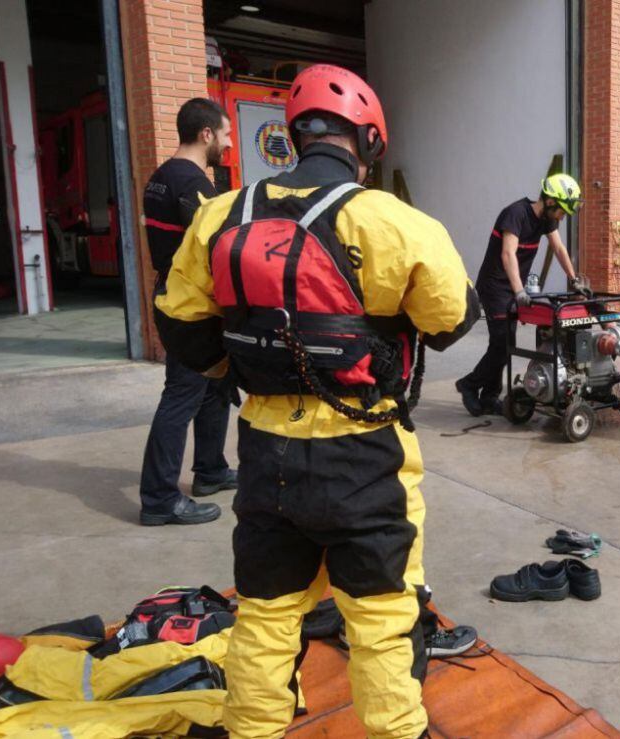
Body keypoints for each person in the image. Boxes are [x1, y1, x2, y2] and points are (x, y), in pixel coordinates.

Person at [153, 64, 478, 737]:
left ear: (294, 136)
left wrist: (250, 364)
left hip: (264, 450)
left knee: (266, 613)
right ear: (370, 142)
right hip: (366, 456)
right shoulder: (392, 220)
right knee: (383, 617)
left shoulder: (221, 212)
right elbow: (452, 320)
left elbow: (181, 326)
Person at [138, 98, 236, 527]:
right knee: (182, 395)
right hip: (189, 306)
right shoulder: (193, 186)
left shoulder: (161, 177)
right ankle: (159, 499)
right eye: (226, 135)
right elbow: (219, 248)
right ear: (206, 134)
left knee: (215, 386)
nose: (229, 145)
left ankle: (210, 470)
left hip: (178, 295)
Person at [455, 175, 585, 416]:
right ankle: (469, 385)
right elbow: (508, 254)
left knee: (504, 344)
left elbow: (558, 248)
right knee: (503, 345)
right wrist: (519, 290)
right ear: (549, 202)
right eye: (561, 211)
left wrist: (574, 279)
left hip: (513, 288)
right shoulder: (515, 214)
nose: (561, 217)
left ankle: (489, 397)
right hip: (495, 287)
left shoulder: (547, 220)